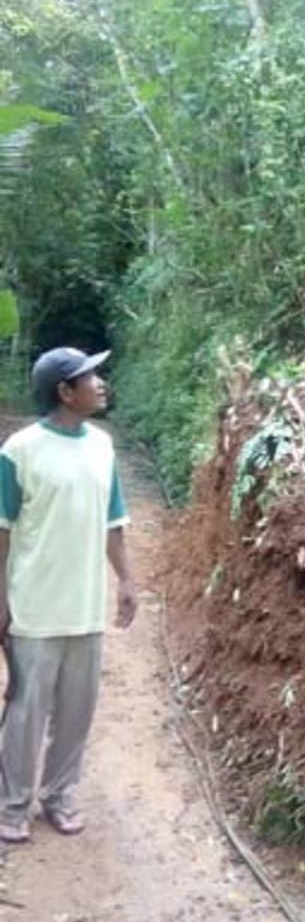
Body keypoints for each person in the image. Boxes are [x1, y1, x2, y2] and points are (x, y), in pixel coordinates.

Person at [0, 347, 137, 843]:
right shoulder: (20, 451)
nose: (99, 383)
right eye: (89, 376)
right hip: (34, 610)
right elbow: (3, 531)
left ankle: (58, 797)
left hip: (84, 608)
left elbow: (112, 521)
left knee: (77, 714)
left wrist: (125, 580)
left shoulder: (102, 447)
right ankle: (11, 806)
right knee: (24, 713)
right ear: (64, 391)